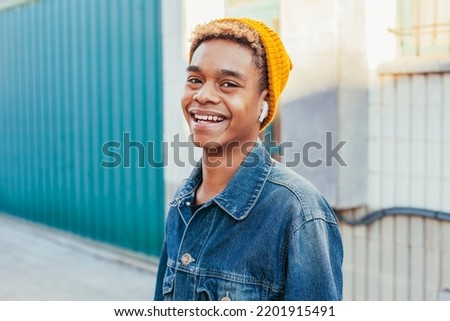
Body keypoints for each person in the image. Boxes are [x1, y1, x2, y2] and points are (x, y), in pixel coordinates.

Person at [154, 18, 343, 301]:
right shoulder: (183, 202)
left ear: (263, 103)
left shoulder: (297, 212)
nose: (203, 95)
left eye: (228, 84)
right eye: (195, 79)